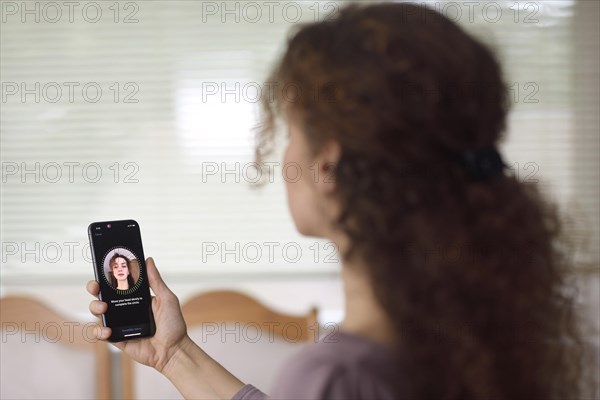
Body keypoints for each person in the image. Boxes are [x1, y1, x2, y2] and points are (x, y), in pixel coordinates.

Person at [87, 3, 593, 399]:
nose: (282, 154)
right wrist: (173, 355)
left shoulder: (339, 374)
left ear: (328, 166)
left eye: (291, 132)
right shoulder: (470, 335)